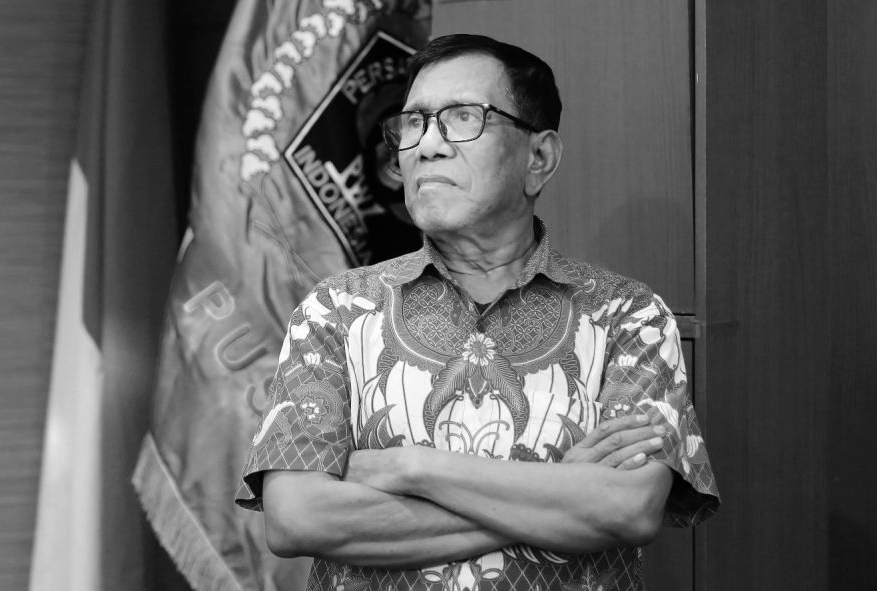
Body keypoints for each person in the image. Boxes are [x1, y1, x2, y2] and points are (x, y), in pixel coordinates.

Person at [236, 33, 719, 590]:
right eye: (413, 123)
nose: (426, 146)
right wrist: (556, 497)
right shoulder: (336, 311)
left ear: (539, 158)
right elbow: (296, 519)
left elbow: (627, 510)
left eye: (463, 118)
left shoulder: (628, 316)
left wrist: (410, 467)